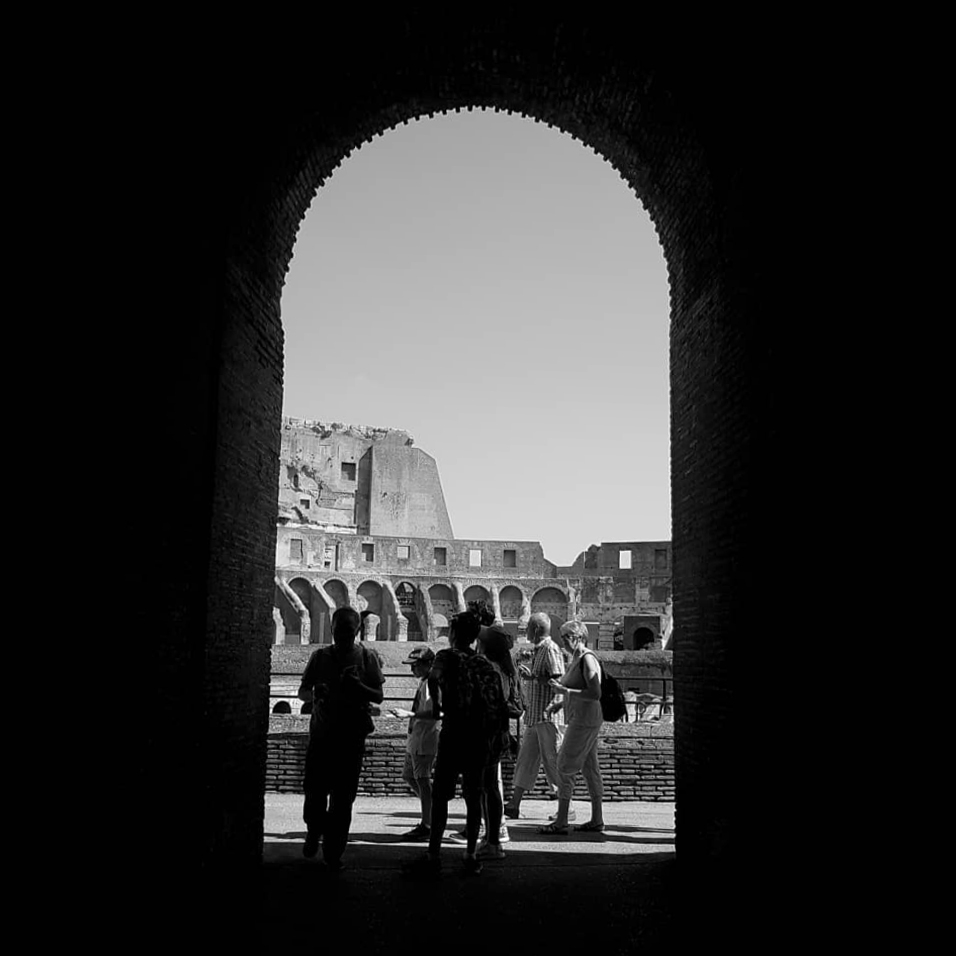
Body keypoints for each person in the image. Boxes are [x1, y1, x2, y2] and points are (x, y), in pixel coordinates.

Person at [401, 604, 506, 879]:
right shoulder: (484, 663)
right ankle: (470, 855)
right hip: (479, 737)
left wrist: (437, 705)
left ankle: (434, 854)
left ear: (454, 634)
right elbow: (498, 699)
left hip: (454, 731)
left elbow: (433, 679)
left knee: (441, 796)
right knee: (473, 797)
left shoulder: (446, 657)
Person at [297, 606, 385, 870]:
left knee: (343, 799)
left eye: (347, 631)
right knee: (314, 793)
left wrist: (358, 687)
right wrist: (315, 693)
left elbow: (378, 696)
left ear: (357, 631)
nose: (342, 636)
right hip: (322, 737)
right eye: (338, 631)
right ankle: (314, 830)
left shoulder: (368, 657)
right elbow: (302, 693)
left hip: (350, 739)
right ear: (332, 629)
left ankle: (333, 852)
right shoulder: (319, 656)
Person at [537, 620, 605, 835]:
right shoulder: (576, 658)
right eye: (562, 636)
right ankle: (597, 819)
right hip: (583, 717)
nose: (563, 641)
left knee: (564, 765)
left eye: (567, 637)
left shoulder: (587, 658)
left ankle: (562, 821)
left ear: (579, 637)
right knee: (590, 768)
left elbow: (595, 693)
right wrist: (560, 703)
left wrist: (564, 692)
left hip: (584, 720)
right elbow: (578, 689)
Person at [504, 611, 567, 819]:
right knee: (525, 760)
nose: (526, 629)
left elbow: (557, 683)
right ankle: (513, 805)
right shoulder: (539, 650)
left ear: (537, 629)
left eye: (529, 626)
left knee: (552, 761)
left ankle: (566, 809)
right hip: (534, 717)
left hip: (547, 717)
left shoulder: (550, 649)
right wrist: (532, 676)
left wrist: (534, 677)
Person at [472, 625, 522, 860]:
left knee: (487, 788)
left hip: (485, 732)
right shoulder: (507, 670)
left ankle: (492, 841)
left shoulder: (488, 669)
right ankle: (492, 838)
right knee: (490, 787)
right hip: (498, 732)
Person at [391, 647, 440, 841]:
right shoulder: (425, 682)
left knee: (422, 780)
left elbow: (436, 713)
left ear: (428, 665)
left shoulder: (432, 684)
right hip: (417, 737)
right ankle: (432, 811)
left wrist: (409, 714)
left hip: (425, 738)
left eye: (416, 666)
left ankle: (428, 822)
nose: (413, 670)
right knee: (410, 776)